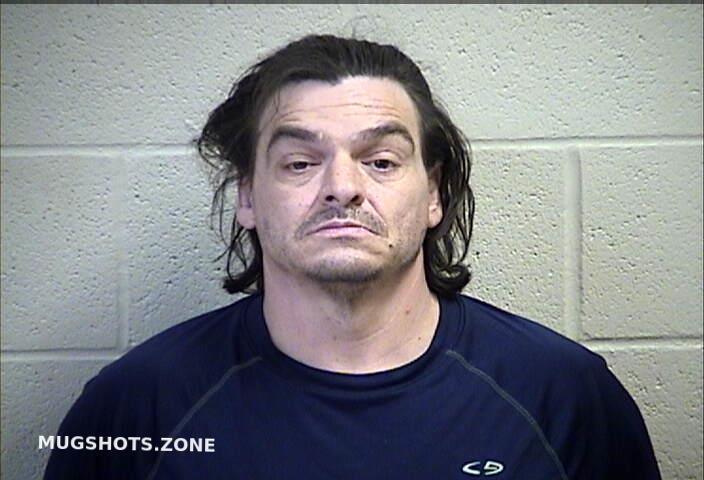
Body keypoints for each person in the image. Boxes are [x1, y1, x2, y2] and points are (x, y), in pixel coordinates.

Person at [45, 34, 661, 480]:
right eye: (299, 163)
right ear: (248, 197)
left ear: (434, 194)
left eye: (381, 161)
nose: (342, 187)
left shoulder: (566, 397)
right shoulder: (134, 407)